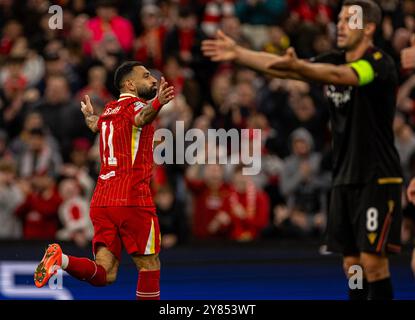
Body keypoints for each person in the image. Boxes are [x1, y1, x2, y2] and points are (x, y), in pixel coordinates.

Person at [202, 0, 402, 300]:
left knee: (373, 262)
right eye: (340, 19)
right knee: (352, 265)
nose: (341, 25)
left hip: (377, 177)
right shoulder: (333, 59)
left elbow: (341, 77)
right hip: (344, 177)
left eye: (350, 19)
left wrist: (300, 68)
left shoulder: (378, 63)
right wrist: (239, 53)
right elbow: (283, 68)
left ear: (369, 27)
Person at [33, 61, 174, 300]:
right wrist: (158, 102)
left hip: (102, 201)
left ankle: (62, 259)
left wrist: (90, 116)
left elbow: (94, 124)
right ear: (129, 84)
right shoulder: (137, 106)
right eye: (147, 76)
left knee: (105, 273)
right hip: (131, 198)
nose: (153, 80)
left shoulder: (109, 111)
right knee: (149, 265)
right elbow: (141, 119)